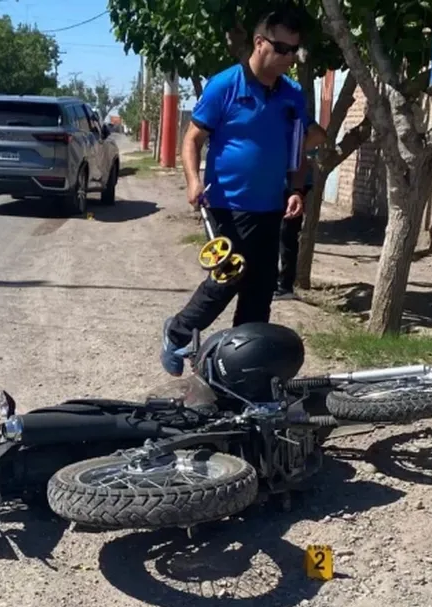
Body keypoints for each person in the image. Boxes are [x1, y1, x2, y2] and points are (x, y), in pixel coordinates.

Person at [159, 5, 327, 377]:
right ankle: (178, 331)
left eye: (294, 50)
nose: (289, 57)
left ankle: (242, 367)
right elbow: (192, 139)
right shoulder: (225, 85)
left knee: (260, 290)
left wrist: (296, 190)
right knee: (229, 276)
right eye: (282, 48)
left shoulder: (292, 94)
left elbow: (298, 146)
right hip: (228, 203)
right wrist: (193, 180)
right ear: (259, 42)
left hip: (271, 206)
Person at [275, 151, 316, 300]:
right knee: (279, 234)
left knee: (286, 234)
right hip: (283, 183)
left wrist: (297, 190)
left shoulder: (297, 139)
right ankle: (276, 283)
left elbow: (303, 154)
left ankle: (285, 286)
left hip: (294, 185)